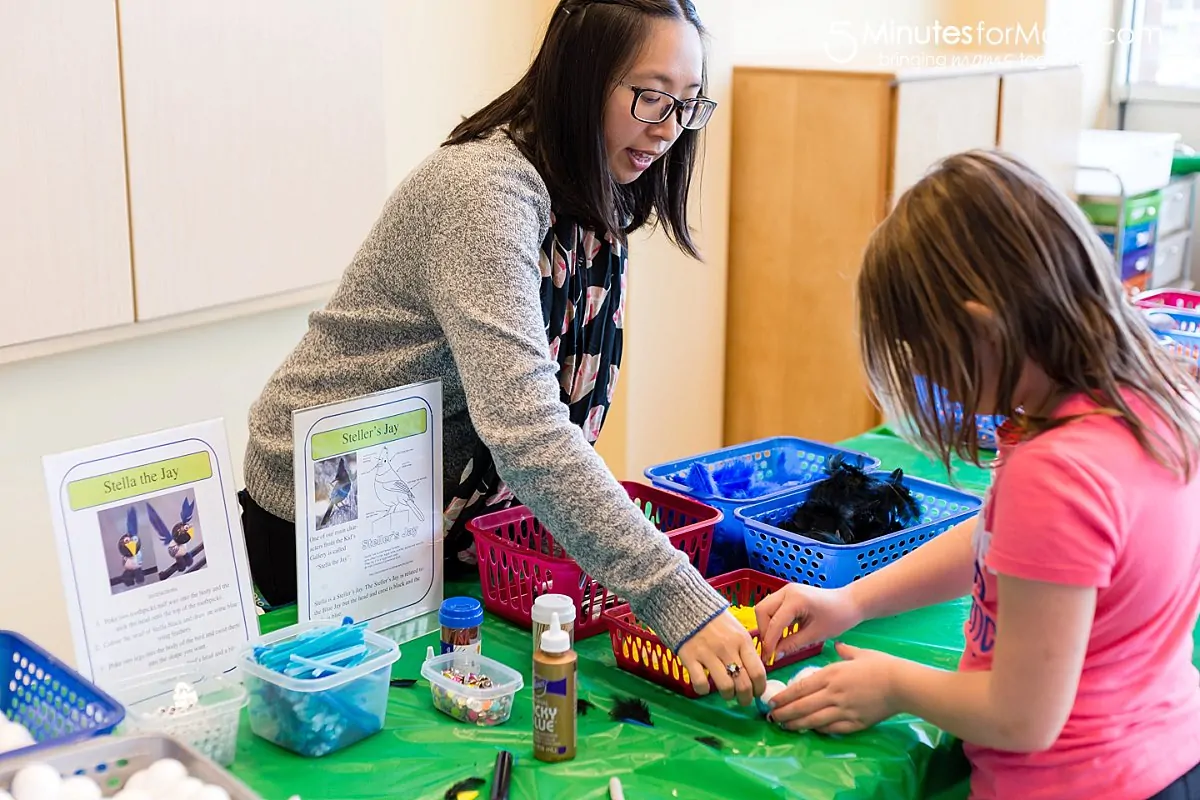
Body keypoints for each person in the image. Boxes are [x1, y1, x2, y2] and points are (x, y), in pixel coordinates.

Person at [238, 0, 766, 703]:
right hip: (324, 512)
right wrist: (677, 598)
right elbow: (527, 429)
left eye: (687, 104)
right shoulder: (483, 193)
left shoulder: (592, 196)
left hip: (431, 513)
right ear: (581, 79)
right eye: (649, 96)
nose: (668, 129)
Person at [754, 151, 1200, 799]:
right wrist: (854, 600)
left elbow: (1022, 716)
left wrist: (895, 686)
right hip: (1169, 757)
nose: (934, 381)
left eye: (929, 356)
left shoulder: (1059, 472)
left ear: (981, 329)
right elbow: (1005, 543)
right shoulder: (1146, 397)